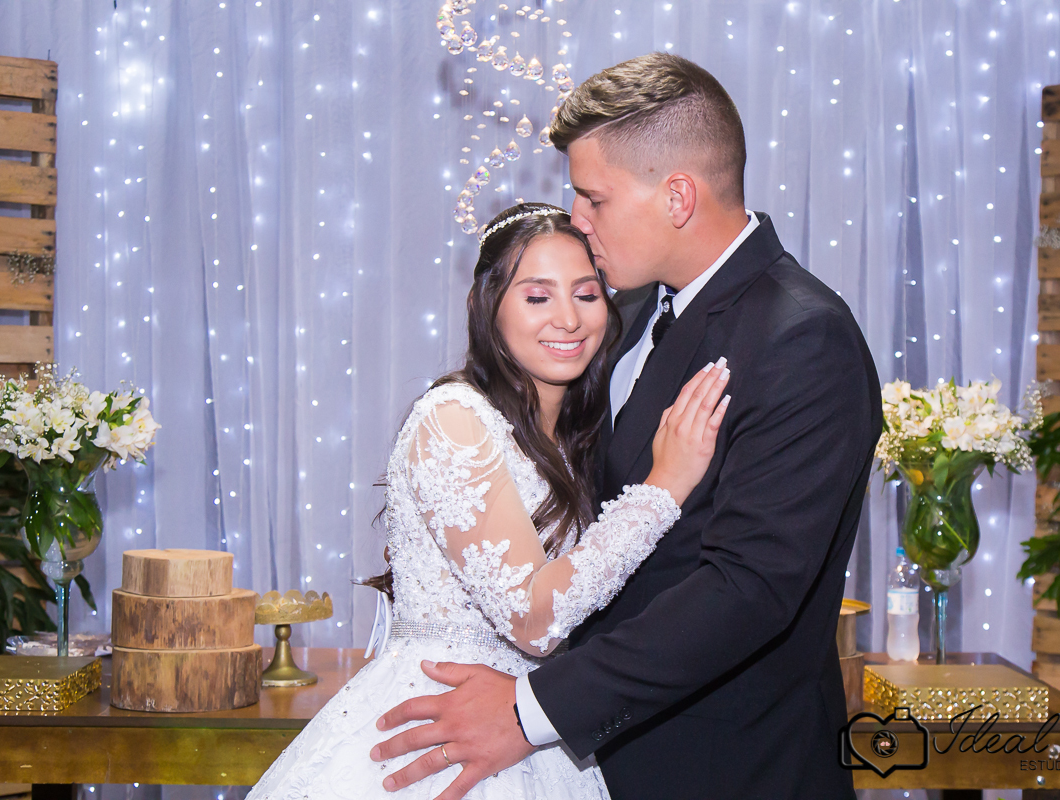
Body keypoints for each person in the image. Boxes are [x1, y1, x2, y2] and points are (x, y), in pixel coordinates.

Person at [370, 54, 882, 800]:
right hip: (604, 761)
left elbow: (746, 589)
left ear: (677, 196)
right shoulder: (631, 311)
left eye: (594, 198)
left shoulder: (801, 335)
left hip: (730, 768)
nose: (577, 220)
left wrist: (530, 713)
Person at [245, 202, 730, 800]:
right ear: (488, 306)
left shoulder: (575, 435)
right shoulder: (453, 420)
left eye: (586, 294)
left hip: (528, 723)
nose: (568, 318)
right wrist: (664, 487)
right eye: (537, 296)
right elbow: (535, 620)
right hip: (444, 720)